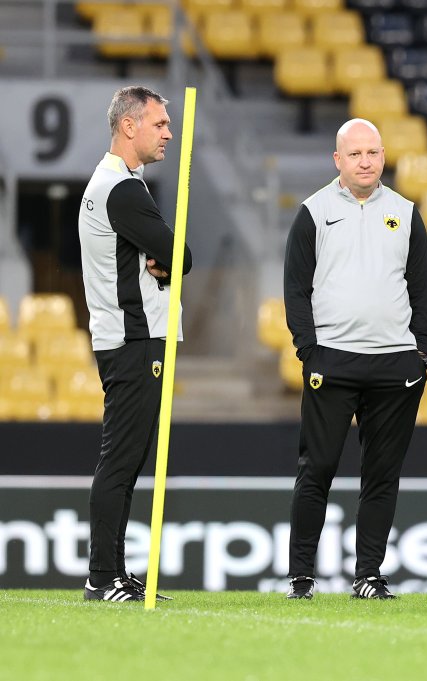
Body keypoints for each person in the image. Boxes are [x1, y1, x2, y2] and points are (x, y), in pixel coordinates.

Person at [284, 118, 427, 600]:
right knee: (317, 470)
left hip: (396, 365)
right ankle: (301, 577)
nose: (365, 162)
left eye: (372, 153)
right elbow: (295, 289)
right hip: (333, 361)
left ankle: (368, 575)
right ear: (338, 159)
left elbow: (422, 289)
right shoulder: (313, 212)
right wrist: (309, 351)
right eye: (355, 154)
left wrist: (421, 351)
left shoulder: (406, 213)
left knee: (382, 476)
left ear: (383, 155)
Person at [79, 85, 192, 602]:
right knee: (121, 460)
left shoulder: (112, 184)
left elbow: (164, 256)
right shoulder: (122, 190)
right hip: (134, 340)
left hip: (126, 338)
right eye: (160, 124)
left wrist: (163, 258)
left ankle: (114, 573)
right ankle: (102, 577)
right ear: (129, 126)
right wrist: (170, 258)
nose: (168, 133)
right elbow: (180, 255)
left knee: (126, 461)